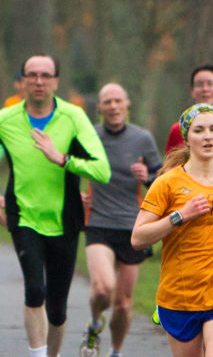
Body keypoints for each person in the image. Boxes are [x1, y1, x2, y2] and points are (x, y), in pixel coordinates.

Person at [0, 54, 111, 357]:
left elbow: (102, 169)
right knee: (35, 290)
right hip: (23, 217)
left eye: (45, 75)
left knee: (57, 307)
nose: (38, 81)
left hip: (65, 219)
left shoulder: (73, 117)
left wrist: (61, 159)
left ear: (56, 82)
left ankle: (52, 354)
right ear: (22, 81)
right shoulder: (5, 119)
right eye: (31, 75)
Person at [132, 103, 213, 357]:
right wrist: (180, 215)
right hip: (180, 296)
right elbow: (138, 238)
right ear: (187, 138)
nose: (208, 136)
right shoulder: (167, 183)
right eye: (199, 130)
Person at [79, 83, 161, 357]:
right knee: (103, 289)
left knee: (124, 304)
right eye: (107, 102)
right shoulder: (89, 135)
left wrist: (147, 177)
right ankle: (93, 324)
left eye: (118, 101)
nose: (113, 106)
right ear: (99, 108)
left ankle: (115, 351)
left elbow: (163, 181)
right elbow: (69, 167)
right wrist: (76, 194)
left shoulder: (143, 138)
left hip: (132, 226)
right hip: (99, 222)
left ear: (127, 105)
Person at [164, 65, 213, 153]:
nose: (205, 89)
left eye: (210, 83)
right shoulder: (178, 130)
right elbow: (170, 164)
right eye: (199, 84)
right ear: (192, 91)